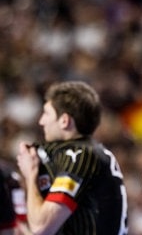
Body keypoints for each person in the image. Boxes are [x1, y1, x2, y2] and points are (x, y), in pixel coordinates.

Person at [17, 81, 128, 235]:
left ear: (64, 120)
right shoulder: (90, 151)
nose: (41, 121)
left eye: (46, 113)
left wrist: (31, 175)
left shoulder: (80, 155)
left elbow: (41, 227)